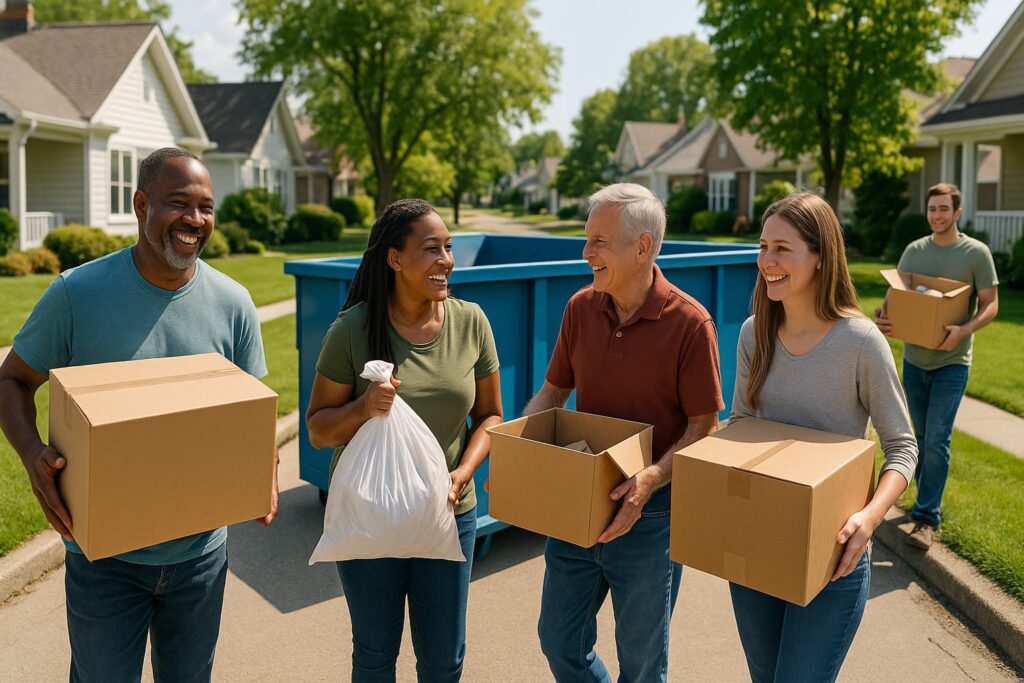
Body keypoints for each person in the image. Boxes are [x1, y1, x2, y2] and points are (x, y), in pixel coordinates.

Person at [0, 148, 275, 682]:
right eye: (179, 204)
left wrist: (264, 474)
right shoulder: (76, 294)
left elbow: (252, 412)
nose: (196, 220)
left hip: (201, 557)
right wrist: (34, 456)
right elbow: (11, 380)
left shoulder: (234, 303)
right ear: (141, 204)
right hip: (103, 559)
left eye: (206, 207)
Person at [523, 183, 723, 682]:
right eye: (587, 239)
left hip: (651, 518)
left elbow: (705, 425)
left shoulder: (691, 324)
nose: (585, 252)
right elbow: (552, 393)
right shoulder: (580, 307)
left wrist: (652, 477)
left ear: (643, 248)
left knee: (642, 663)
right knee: (559, 640)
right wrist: (519, 458)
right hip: (578, 504)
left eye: (599, 242)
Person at [305, 198, 502, 682]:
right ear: (395, 259)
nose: (446, 261)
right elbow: (316, 429)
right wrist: (361, 408)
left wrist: (463, 472)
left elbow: (491, 416)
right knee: (374, 657)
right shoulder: (353, 329)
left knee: (443, 661)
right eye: (432, 249)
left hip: (449, 513)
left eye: (449, 248)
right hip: (370, 514)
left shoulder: (470, 321)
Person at [729, 192, 918, 682]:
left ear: (820, 256)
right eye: (763, 246)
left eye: (783, 249)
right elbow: (740, 424)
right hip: (758, 540)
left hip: (834, 554)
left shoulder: (859, 342)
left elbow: (902, 446)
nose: (766, 261)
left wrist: (868, 518)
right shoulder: (754, 334)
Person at [875, 182, 999, 550]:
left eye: (944, 209)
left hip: (952, 362)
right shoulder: (914, 251)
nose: (937, 215)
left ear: (957, 213)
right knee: (920, 438)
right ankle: (923, 497)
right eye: (932, 209)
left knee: (937, 441)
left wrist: (965, 329)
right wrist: (884, 318)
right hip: (915, 360)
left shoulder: (975, 254)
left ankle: (926, 518)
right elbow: (892, 300)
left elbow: (990, 304)